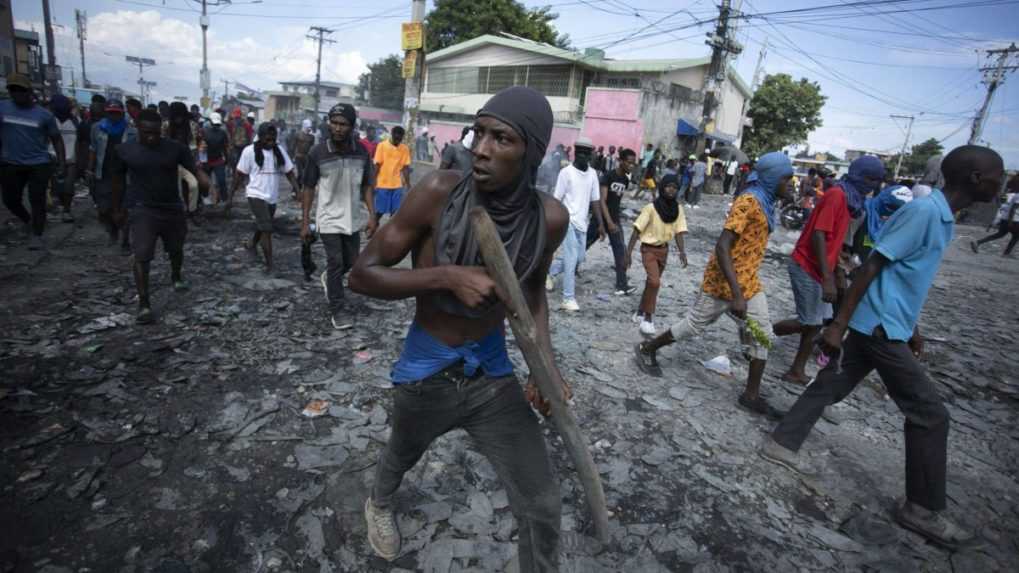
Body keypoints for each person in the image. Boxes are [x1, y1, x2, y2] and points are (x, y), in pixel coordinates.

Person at [348, 85, 569, 570]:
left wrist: (544, 368)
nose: (481, 148)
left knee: (544, 504)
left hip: (491, 373)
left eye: (501, 139)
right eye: (480, 132)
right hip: (428, 369)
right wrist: (445, 276)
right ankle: (379, 502)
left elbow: (531, 294)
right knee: (401, 453)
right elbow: (360, 274)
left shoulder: (549, 219)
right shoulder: (436, 193)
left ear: (530, 152)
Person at [760, 146, 1004, 551]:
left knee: (832, 383)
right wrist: (837, 325)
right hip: (878, 327)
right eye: (998, 175)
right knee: (930, 415)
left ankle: (781, 442)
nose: (1004, 182)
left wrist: (913, 326)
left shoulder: (940, 217)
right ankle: (921, 509)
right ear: (976, 178)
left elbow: (904, 276)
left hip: (888, 322)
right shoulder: (924, 213)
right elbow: (872, 265)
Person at [634, 152, 795, 418]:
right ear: (771, 177)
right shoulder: (748, 202)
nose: (791, 184)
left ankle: (751, 396)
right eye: (786, 178)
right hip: (724, 281)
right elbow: (722, 247)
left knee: (762, 333)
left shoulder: (766, 204)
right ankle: (647, 347)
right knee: (694, 324)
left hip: (749, 281)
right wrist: (736, 295)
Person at [771, 158, 874, 385]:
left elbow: (833, 242)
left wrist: (837, 272)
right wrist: (829, 277)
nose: (873, 186)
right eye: (871, 179)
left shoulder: (851, 201)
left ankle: (796, 370)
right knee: (809, 322)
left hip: (820, 268)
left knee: (816, 323)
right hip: (807, 264)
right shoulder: (837, 196)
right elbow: (819, 234)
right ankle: (760, 334)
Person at [110, 109, 209, 324]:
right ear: (138, 129)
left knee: (176, 248)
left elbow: (193, 166)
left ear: (161, 130)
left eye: (155, 133)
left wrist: (202, 179)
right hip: (142, 208)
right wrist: (117, 208)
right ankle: (144, 304)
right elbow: (117, 181)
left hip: (172, 207)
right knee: (142, 255)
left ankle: (176, 275)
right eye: (146, 133)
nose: (151, 137)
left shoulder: (175, 149)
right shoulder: (125, 151)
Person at [301, 103, 378, 328]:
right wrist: (305, 221)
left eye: (343, 124)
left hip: (352, 218)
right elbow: (307, 188)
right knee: (335, 262)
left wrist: (373, 216)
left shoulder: (362, 152)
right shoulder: (318, 152)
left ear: (352, 127)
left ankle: (329, 279)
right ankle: (337, 309)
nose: (337, 128)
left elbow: (366, 186)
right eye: (333, 123)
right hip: (327, 217)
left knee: (351, 262)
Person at [0, 73, 66, 250]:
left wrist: (61, 163)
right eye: (13, 90)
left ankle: (37, 234)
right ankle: (27, 220)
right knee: (10, 199)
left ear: (28, 91)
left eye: (20, 90)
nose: (16, 93)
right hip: (10, 163)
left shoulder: (43, 115)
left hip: (38, 163)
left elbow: (56, 139)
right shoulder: (3, 108)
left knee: (37, 200)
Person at [624, 173, 688, 335]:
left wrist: (682, 252)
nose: (671, 190)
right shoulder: (651, 208)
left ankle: (639, 311)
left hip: (663, 251)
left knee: (651, 283)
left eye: (675, 188)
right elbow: (636, 230)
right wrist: (628, 253)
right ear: (662, 187)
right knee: (655, 282)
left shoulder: (677, 209)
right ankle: (648, 318)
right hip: (649, 250)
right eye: (668, 186)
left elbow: (679, 232)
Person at [231, 122, 299, 274]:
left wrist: (297, 189)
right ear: (260, 137)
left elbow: (288, 171)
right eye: (268, 138)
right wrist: (230, 196)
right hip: (255, 194)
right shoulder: (249, 151)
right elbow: (240, 174)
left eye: (273, 138)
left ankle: (251, 244)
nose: (271, 140)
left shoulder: (278, 151)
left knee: (263, 224)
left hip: (271, 196)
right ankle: (270, 265)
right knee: (267, 228)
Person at [547, 136, 604, 311]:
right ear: (575, 153)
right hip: (568, 221)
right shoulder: (566, 173)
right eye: (580, 152)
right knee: (571, 260)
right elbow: (557, 199)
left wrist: (600, 223)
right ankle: (568, 299)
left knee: (579, 258)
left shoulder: (593, 174)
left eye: (587, 153)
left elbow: (595, 200)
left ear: (590, 155)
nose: (583, 156)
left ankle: (549, 272)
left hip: (582, 223)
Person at [88, 100, 136, 254]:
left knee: (125, 208)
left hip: (125, 175)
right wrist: (89, 169)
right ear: (106, 113)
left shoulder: (131, 131)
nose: (114, 116)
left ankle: (125, 241)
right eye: (111, 113)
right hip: (104, 173)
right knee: (104, 209)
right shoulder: (97, 128)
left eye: (117, 113)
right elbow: (93, 149)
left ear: (122, 113)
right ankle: (113, 230)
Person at [600, 147, 638, 296]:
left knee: (620, 251)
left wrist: (615, 220)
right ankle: (557, 271)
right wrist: (608, 222)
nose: (631, 166)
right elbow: (602, 201)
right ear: (621, 161)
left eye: (633, 163)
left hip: (615, 220)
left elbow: (616, 201)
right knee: (583, 246)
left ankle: (621, 285)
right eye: (629, 162)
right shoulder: (608, 176)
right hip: (601, 220)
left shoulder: (625, 180)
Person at [971, 176, 1019, 256]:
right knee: (1016, 236)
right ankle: (1006, 253)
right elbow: (1012, 208)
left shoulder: (1011, 194)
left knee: (1000, 234)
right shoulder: (1015, 195)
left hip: (1005, 217)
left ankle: (978, 242)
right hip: (1013, 220)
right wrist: (1010, 221)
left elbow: (1003, 204)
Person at [372, 125, 411, 223]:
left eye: (400, 139)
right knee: (379, 212)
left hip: (397, 185)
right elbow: (377, 165)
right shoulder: (382, 146)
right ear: (392, 135)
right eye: (396, 138)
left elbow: (405, 167)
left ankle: (390, 233)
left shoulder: (404, 149)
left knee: (395, 213)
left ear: (402, 137)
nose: (398, 140)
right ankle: (372, 228)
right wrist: (373, 181)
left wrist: (408, 184)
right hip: (383, 184)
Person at [49, 94, 78, 223]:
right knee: (55, 189)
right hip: (51, 159)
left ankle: (66, 210)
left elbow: (80, 141)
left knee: (68, 187)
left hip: (70, 160)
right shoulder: (49, 120)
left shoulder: (75, 121)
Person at [201, 112, 229, 206]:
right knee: (204, 181)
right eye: (214, 124)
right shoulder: (204, 132)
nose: (216, 126)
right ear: (210, 122)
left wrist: (227, 159)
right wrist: (202, 161)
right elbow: (201, 148)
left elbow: (225, 147)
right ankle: (205, 197)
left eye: (217, 124)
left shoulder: (222, 133)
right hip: (207, 160)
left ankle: (224, 199)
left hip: (218, 159)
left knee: (221, 180)